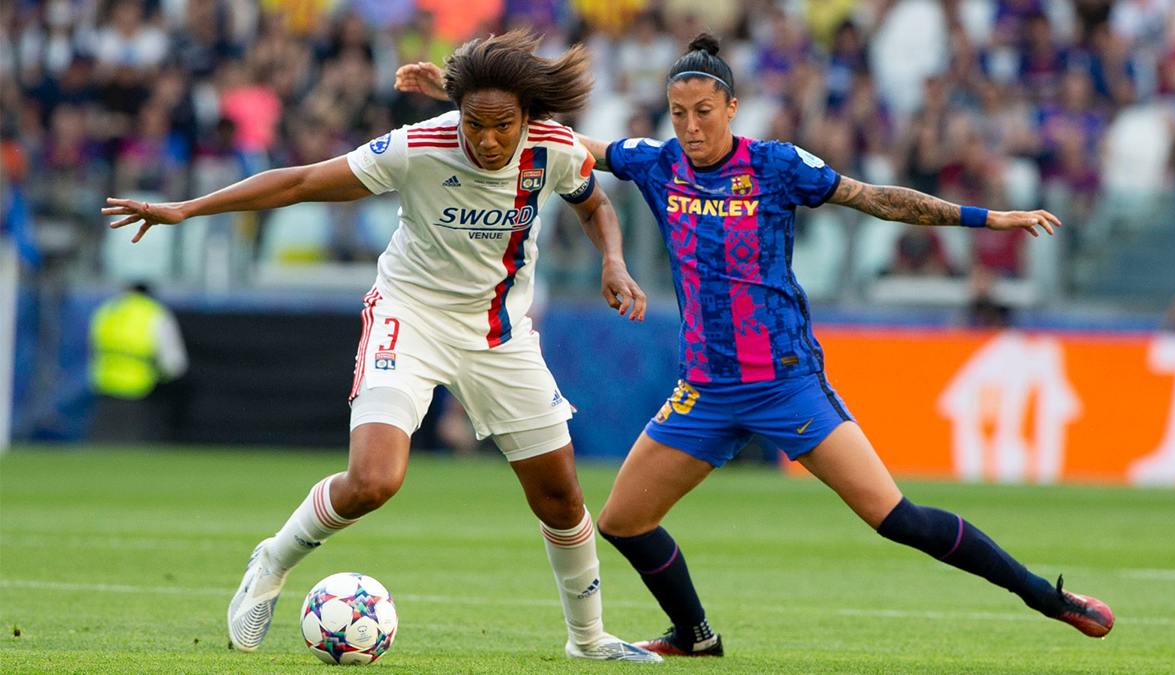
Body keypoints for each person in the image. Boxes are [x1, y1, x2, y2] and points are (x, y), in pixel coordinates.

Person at [398, 31, 1113, 659]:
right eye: (679, 114)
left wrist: (990, 219)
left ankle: (1047, 597)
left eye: (703, 113)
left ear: (731, 109)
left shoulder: (774, 164)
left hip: (785, 382)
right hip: (706, 388)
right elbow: (547, 140)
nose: (691, 127)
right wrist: (455, 97)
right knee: (621, 520)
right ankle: (694, 635)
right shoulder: (655, 162)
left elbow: (876, 197)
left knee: (895, 518)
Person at [103, 30, 661, 662]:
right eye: (473, 123)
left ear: (528, 118)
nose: (486, 139)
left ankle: (588, 642)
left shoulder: (554, 148)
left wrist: (613, 262)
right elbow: (303, 181)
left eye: (501, 125)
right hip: (409, 316)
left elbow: (594, 204)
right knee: (373, 481)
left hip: (497, 332)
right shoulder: (416, 147)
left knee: (560, 496)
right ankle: (273, 561)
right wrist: (187, 209)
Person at [88, 282, 189, 443]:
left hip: (104, 391)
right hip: (140, 392)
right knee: (135, 449)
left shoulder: (106, 311)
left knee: (104, 447)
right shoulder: (153, 312)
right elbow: (174, 363)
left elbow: (92, 351)